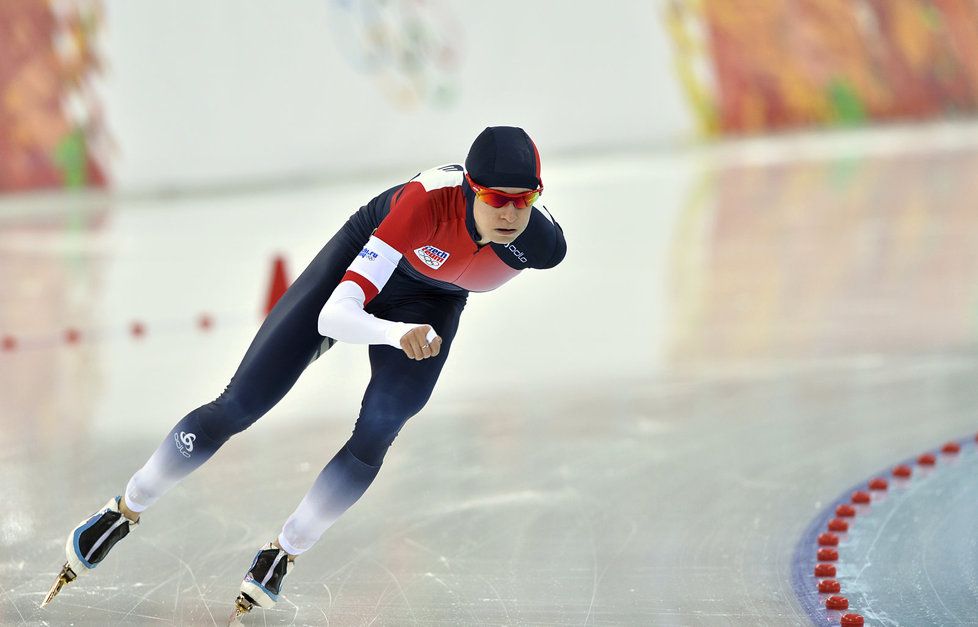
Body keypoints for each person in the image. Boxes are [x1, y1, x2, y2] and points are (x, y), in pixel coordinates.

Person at [43, 126, 567, 617]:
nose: (509, 213)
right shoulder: (423, 205)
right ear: (471, 190)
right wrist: (392, 332)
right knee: (241, 404)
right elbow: (334, 315)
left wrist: (416, 325)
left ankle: (284, 551)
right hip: (357, 274)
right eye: (496, 198)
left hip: (435, 302)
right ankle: (126, 506)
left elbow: (511, 242)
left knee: (382, 425)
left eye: (524, 200)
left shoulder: (542, 246)